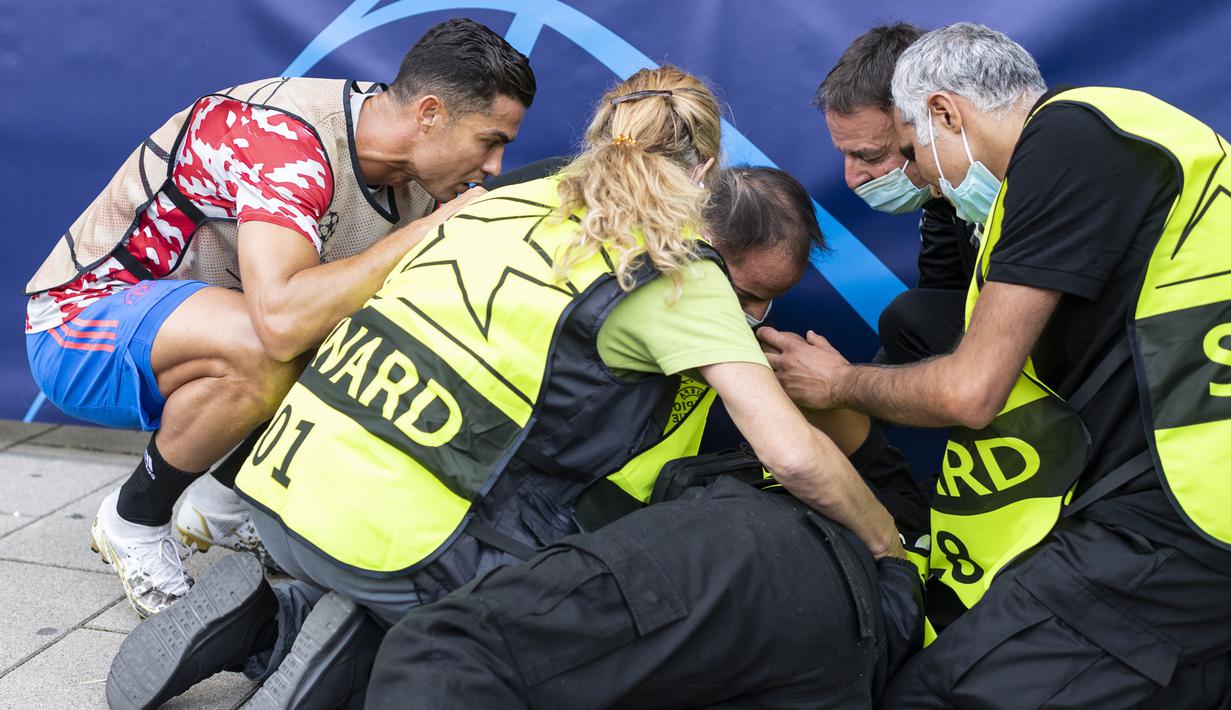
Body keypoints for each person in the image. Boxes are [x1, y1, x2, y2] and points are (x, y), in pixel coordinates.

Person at [106, 64, 906, 709]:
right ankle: (299, 640)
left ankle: (280, 613)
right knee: (571, 634)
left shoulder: (505, 197)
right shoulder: (669, 271)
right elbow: (793, 458)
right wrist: (886, 544)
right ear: (703, 173)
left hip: (278, 497)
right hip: (392, 552)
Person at [762, 22, 1231, 707]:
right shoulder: (1106, 138)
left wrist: (837, 383)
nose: (918, 176)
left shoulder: (1071, 134)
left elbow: (968, 392)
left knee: (936, 693)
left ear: (943, 114)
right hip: (1161, 488)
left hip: (1185, 506)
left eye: (907, 149)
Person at [23, 18, 535, 617]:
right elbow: (283, 323)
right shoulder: (287, 138)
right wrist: (420, 235)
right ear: (428, 115)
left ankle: (218, 506)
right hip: (78, 327)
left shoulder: (419, 174)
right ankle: (133, 520)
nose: (495, 166)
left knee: (384, 333)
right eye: (489, 140)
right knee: (273, 342)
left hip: (190, 327)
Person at [815, 22, 977, 365]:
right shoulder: (943, 202)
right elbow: (938, 307)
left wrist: (843, 385)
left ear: (935, 118)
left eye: (869, 155)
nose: (851, 179)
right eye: (844, 154)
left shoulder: (1036, 178)